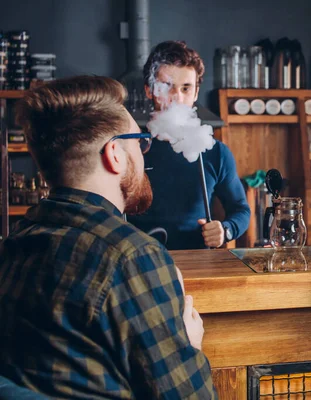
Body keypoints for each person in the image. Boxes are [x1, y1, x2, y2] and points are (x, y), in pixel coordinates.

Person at [0, 76, 217, 399]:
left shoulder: (14, 246)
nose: (144, 155)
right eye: (140, 142)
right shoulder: (133, 258)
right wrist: (188, 344)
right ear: (114, 153)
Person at [128, 40, 250, 250]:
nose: (177, 97)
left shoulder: (215, 152)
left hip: (197, 266)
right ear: (149, 90)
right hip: (140, 265)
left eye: (186, 88)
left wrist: (225, 229)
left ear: (195, 93)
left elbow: (241, 210)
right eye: (167, 87)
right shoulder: (129, 148)